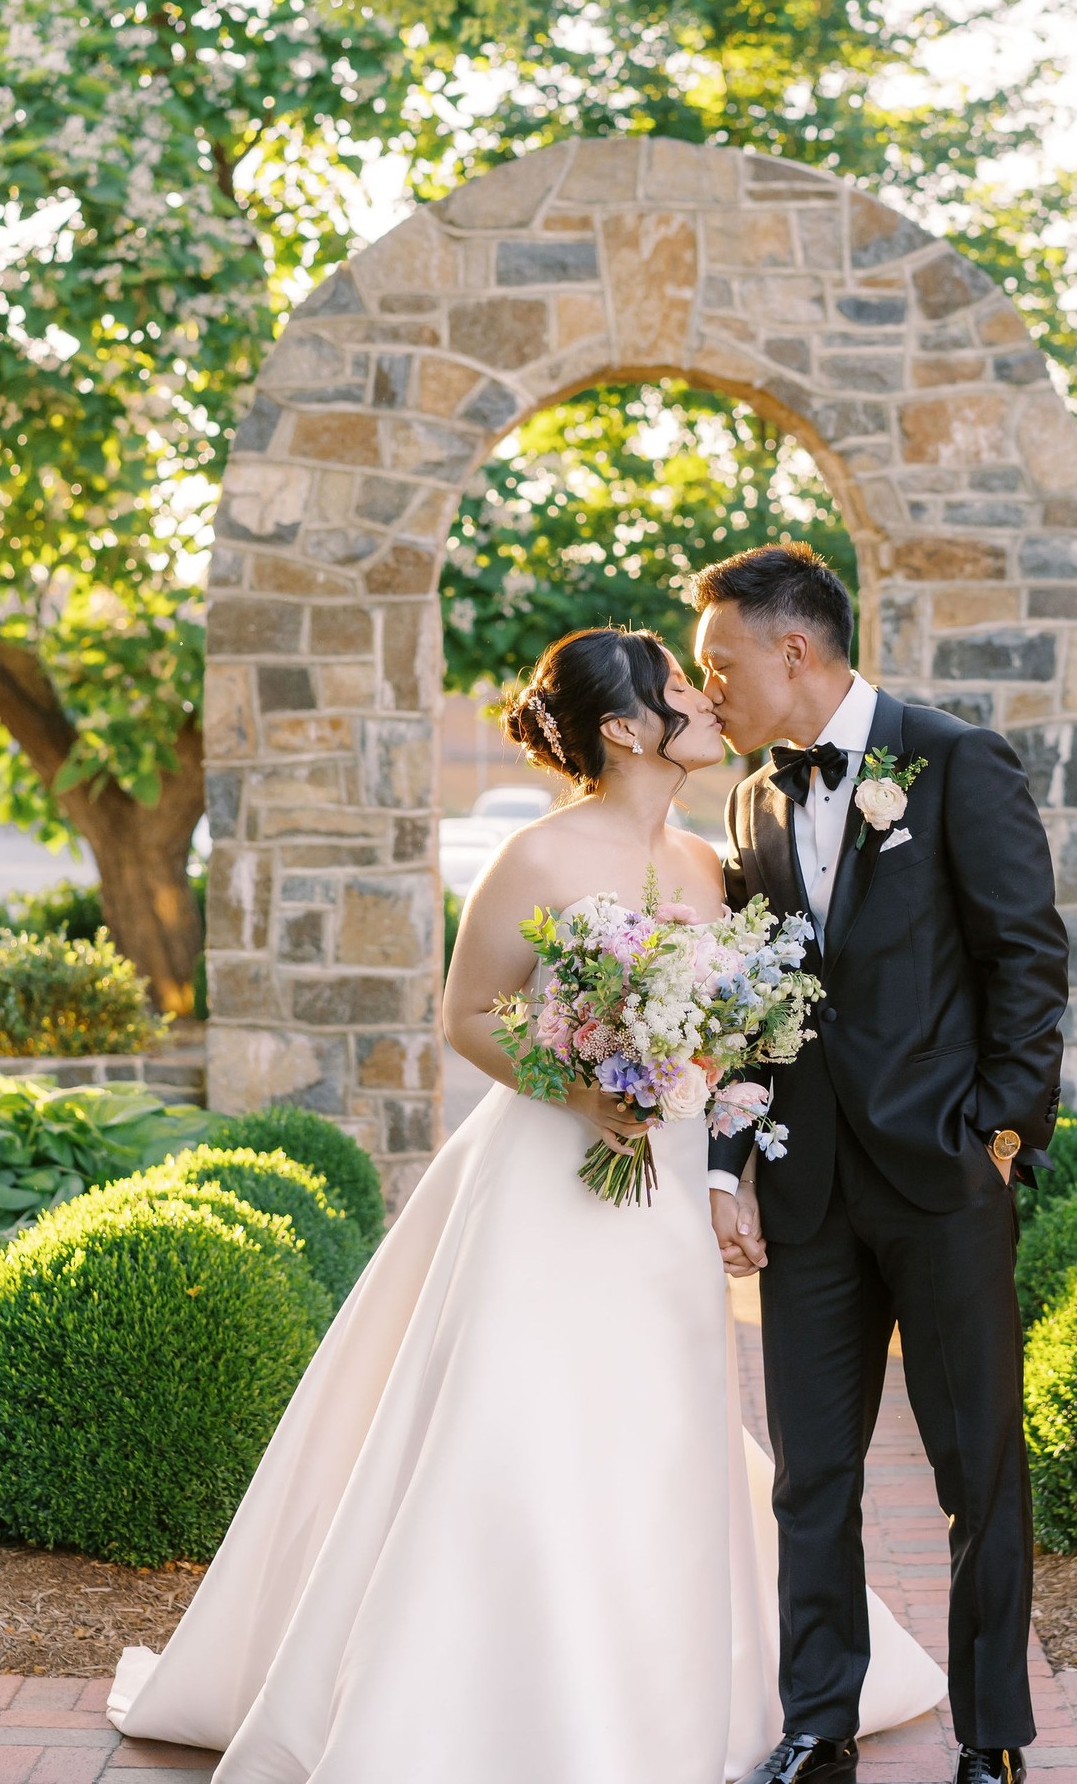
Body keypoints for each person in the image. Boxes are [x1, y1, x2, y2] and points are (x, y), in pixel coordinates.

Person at [105, 625, 945, 1784]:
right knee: (518, 1420)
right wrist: (587, 1086)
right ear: (621, 727)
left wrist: (728, 1163)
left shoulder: (711, 865)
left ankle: (661, 1691)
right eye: (677, 688)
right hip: (548, 1182)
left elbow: (749, 1043)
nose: (705, 697)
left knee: (664, 1425)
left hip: (665, 1198)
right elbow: (469, 1016)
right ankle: (468, 1700)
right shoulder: (537, 859)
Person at [692, 546, 1069, 1784]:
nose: (711, 690)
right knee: (811, 1478)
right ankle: (819, 1728)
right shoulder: (749, 800)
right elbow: (754, 1009)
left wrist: (999, 1143)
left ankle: (993, 1740)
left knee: (978, 1472)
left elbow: (1027, 958)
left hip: (945, 1185)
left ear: (792, 648)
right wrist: (732, 1159)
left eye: (721, 662)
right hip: (808, 1195)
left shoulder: (956, 760)